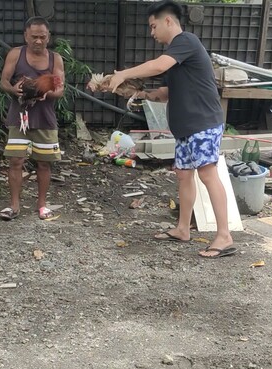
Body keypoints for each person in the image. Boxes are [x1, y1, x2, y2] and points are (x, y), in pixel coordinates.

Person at [108, 0, 235, 258]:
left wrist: (122, 74)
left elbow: (157, 65)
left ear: (168, 21)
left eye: (153, 27)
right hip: (186, 128)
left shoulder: (185, 41)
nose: (152, 33)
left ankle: (224, 236)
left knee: (207, 174)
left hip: (203, 123)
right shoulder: (177, 54)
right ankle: (182, 229)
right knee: (184, 175)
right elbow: (167, 92)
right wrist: (141, 93)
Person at [0, 16, 65, 220]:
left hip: (45, 117)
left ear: (48, 37)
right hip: (19, 116)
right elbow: (3, 81)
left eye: (42, 37)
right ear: (26, 36)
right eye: (34, 36)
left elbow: (60, 89)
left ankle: (42, 205)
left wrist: (46, 93)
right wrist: (14, 90)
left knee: (44, 163)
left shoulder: (56, 58)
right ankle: (14, 206)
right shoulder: (15, 54)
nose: (38, 41)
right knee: (16, 161)